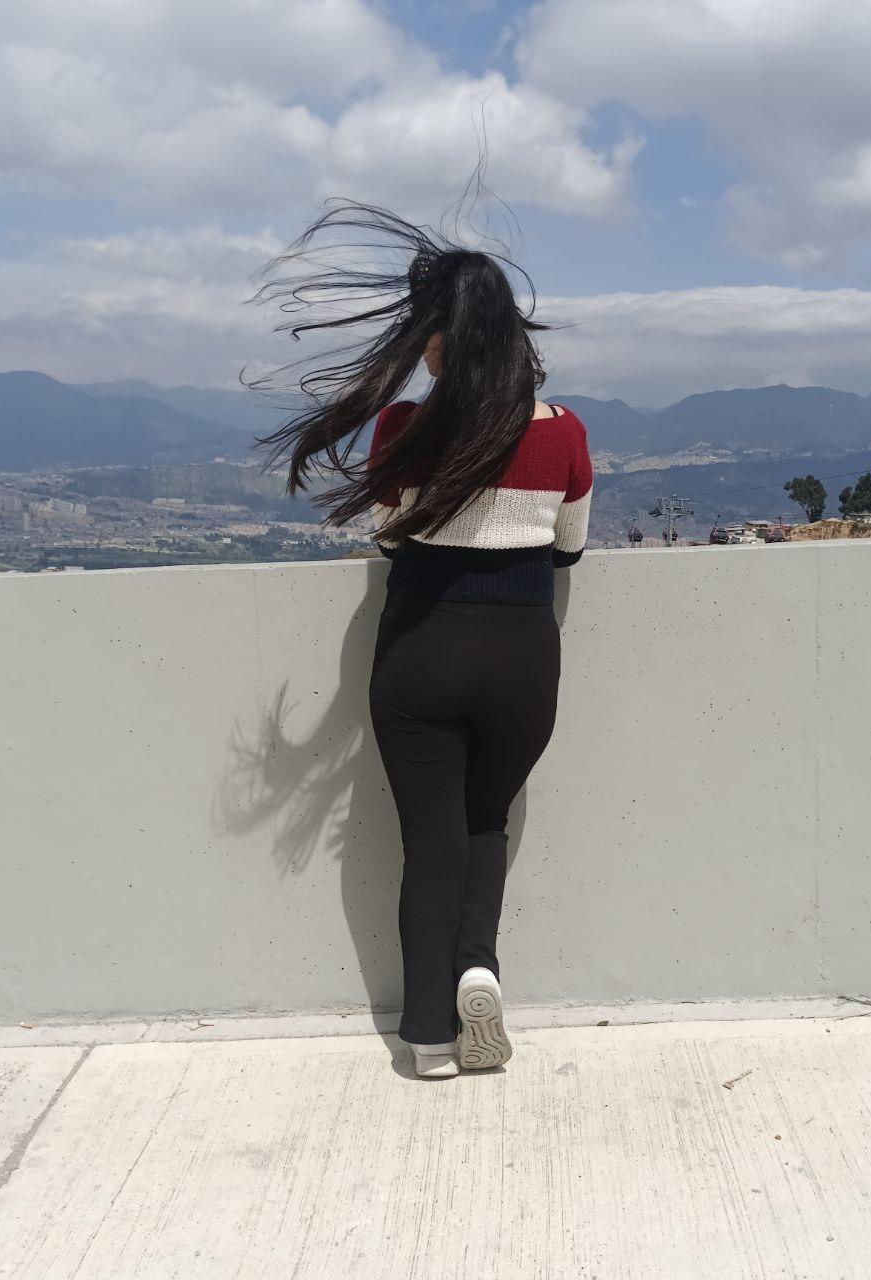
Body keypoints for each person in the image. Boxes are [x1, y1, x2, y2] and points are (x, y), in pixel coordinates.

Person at [244, 182, 592, 1079]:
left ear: (447, 337)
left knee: (429, 843)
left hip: (424, 648)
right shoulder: (564, 433)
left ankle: (431, 1038)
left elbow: (391, 533)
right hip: (522, 658)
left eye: (425, 334)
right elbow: (569, 547)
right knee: (486, 824)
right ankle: (480, 966)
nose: (422, 348)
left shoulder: (403, 426)